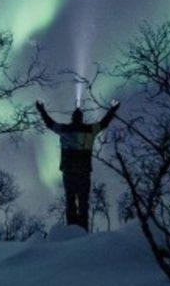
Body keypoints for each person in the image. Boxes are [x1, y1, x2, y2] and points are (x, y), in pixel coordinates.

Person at [35, 99, 119, 231]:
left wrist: (41, 110)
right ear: (82, 118)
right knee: (83, 203)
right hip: (84, 173)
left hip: (68, 172)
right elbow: (104, 123)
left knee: (70, 202)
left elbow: (49, 123)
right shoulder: (89, 129)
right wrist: (113, 109)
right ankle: (83, 232)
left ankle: (72, 232)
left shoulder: (65, 129)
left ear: (72, 118)